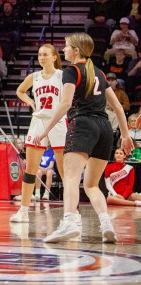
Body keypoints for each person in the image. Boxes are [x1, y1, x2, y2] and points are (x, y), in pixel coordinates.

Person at [34, 33, 133, 243]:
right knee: (92, 185)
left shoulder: (71, 71)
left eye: (67, 47)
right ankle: (106, 224)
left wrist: (45, 131)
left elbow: (65, 103)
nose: (64, 50)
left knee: (70, 177)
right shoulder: (99, 73)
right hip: (105, 128)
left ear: (76, 50)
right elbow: (117, 106)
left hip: (83, 125)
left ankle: (69, 221)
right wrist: (125, 135)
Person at [11, 44, 68, 222]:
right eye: (39, 55)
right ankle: (24, 211)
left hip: (58, 121)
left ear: (54, 57)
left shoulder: (62, 75)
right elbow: (19, 91)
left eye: (45, 55)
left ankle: (72, 213)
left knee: (65, 170)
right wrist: (31, 103)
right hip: (39, 121)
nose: (41, 57)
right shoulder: (34, 77)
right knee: (30, 169)